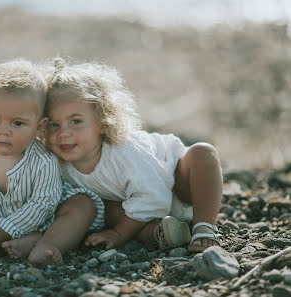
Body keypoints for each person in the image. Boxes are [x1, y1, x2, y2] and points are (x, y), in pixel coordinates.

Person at [44, 58, 223, 252]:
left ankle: (203, 226)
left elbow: (155, 194)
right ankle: (163, 232)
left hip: (179, 185)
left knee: (202, 153)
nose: (63, 133)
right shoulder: (56, 161)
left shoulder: (124, 151)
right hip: (140, 206)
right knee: (106, 210)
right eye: (54, 124)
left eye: (76, 121)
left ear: (103, 123)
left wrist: (119, 234)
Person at [0, 59, 104, 265]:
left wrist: (4, 230)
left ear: (39, 126)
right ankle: (18, 243)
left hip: (47, 220)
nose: (4, 131)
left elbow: (43, 203)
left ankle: (48, 243)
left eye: (18, 123)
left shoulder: (43, 160)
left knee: (83, 205)